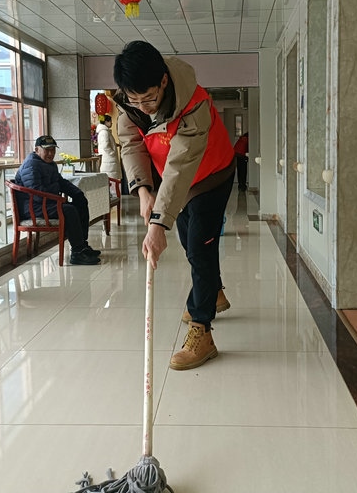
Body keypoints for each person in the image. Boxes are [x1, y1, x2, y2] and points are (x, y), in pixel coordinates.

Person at [113, 40, 235, 371]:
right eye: (135, 100)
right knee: (189, 239)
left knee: (199, 246)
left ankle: (202, 329)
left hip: (211, 174)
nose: (143, 107)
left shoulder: (194, 104)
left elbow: (181, 166)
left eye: (149, 99)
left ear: (164, 81)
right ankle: (213, 291)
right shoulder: (128, 103)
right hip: (174, 178)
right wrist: (143, 191)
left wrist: (157, 223)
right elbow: (131, 144)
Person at [13, 135, 101, 265]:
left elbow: (61, 182)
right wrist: (59, 199)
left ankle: (82, 245)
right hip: (33, 208)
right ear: (37, 150)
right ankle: (77, 253)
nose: (50, 153)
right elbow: (37, 193)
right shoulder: (31, 165)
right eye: (47, 150)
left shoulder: (50, 164)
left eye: (53, 150)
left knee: (81, 202)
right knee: (69, 210)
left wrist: (77, 194)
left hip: (46, 203)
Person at [96, 114, 120, 180]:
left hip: (107, 158)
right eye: (110, 121)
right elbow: (105, 146)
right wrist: (112, 153)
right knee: (111, 179)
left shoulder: (104, 132)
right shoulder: (104, 132)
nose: (111, 123)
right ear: (106, 122)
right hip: (108, 159)